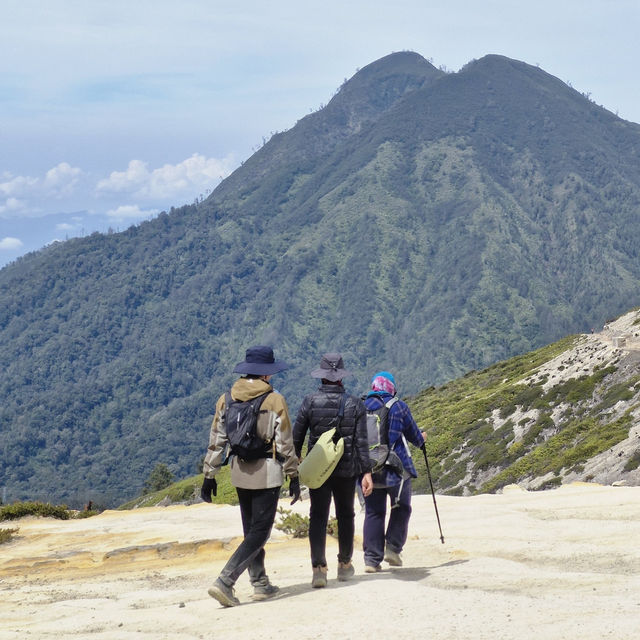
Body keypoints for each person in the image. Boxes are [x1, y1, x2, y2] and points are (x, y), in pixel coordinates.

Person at [200, 345, 300, 607]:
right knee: (261, 532)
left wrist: (209, 475)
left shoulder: (227, 398)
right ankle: (225, 581)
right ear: (266, 374)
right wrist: (294, 474)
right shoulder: (274, 400)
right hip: (267, 473)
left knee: (251, 529)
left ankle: (260, 583)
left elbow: (216, 441)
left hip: (240, 472)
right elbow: (285, 443)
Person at [293, 353, 373, 588]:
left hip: (319, 471)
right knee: (346, 514)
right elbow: (361, 443)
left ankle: (319, 569)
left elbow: (296, 438)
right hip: (346, 470)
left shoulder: (309, 401)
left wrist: (294, 468)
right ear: (340, 378)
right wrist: (366, 473)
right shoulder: (354, 403)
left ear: (322, 377)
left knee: (317, 516)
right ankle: (345, 565)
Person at [361, 371, 425, 572]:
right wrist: (422, 437)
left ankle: (371, 560)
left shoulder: (360, 406)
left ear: (374, 387)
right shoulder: (399, 406)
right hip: (396, 469)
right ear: (391, 387)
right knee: (401, 507)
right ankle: (393, 548)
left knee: (373, 512)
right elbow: (415, 436)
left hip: (368, 469)